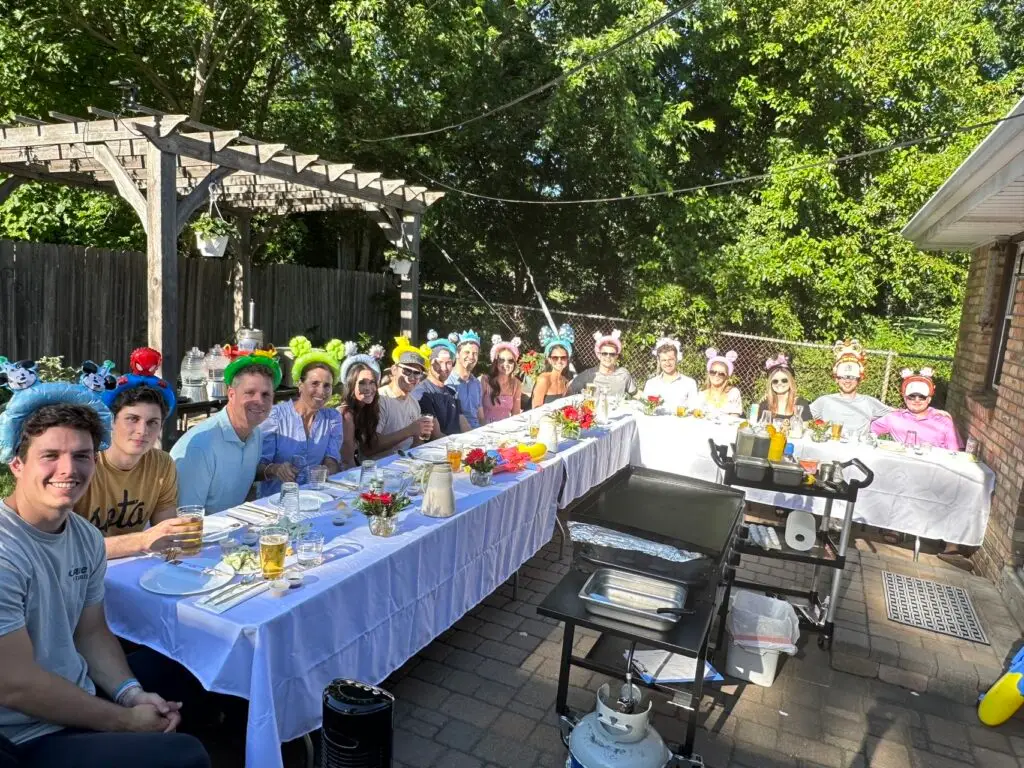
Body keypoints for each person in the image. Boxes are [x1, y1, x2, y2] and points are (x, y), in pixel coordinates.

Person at [0, 376, 210, 768]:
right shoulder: (5, 550)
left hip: (79, 691)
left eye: (81, 455)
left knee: (196, 667)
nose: (68, 469)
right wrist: (124, 720)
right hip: (21, 733)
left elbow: (90, 631)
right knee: (187, 756)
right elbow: (15, 685)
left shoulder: (85, 537)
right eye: (50, 455)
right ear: (16, 464)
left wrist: (131, 694)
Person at [74, 348, 187, 560]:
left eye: (152, 423)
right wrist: (142, 540)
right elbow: (67, 548)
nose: (142, 431)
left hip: (131, 566)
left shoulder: (161, 464)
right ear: (111, 421)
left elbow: (165, 534)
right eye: (132, 419)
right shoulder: (81, 464)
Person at [871, 368, 969, 569]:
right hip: (904, 471)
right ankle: (896, 527)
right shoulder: (895, 417)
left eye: (921, 396)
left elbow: (955, 451)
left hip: (935, 472)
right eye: (911, 395)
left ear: (930, 397)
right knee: (897, 478)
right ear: (904, 396)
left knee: (959, 489)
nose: (916, 399)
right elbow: (870, 430)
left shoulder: (943, 421)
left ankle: (951, 545)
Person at [170, 353, 279, 513]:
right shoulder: (200, 447)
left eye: (266, 394)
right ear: (231, 394)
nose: (259, 401)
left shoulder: (255, 434)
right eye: (250, 392)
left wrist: (273, 470)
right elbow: (183, 518)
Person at [257, 337, 344, 495]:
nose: (321, 391)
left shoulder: (333, 418)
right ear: (300, 384)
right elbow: (256, 468)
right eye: (314, 383)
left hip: (316, 497)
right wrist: (275, 469)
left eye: (327, 386)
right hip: (275, 501)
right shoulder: (275, 416)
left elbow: (333, 460)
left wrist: (326, 469)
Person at [371, 338, 436, 458]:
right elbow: (372, 446)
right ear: (394, 370)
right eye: (406, 371)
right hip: (379, 468)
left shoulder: (414, 403)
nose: (411, 377)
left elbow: (416, 442)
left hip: (405, 464)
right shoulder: (380, 399)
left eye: (417, 373)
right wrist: (409, 430)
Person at [810, 339, 891, 435]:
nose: (847, 381)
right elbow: (801, 413)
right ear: (836, 379)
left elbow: (897, 415)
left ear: (859, 379)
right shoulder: (824, 400)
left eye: (852, 377)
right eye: (843, 377)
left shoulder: (869, 402)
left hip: (858, 448)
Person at [338, 343, 385, 467]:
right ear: (351, 385)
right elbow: (347, 460)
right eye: (362, 383)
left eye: (372, 382)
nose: (368, 388)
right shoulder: (346, 415)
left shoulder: (367, 410)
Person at [415, 335, 467, 436]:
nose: (444, 368)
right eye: (439, 362)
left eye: (448, 363)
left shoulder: (452, 392)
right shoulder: (422, 392)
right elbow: (436, 435)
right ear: (429, 364)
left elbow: (463, 423)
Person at [568, 329, 636, 398]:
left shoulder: (623, 374)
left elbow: (635, 393)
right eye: (604, 353)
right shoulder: (589, 375)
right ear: (599, 355)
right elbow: (569, 390)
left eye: (612, 354)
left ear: (617, 356)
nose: (608, 357)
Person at [642, 337, 698, 411]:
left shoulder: (689, 383)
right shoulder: (651, 384)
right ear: (658, 361)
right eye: (664, 360)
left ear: (677, 359)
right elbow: (645, 409)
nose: (667, 363)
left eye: (670, 359)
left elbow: (694, 409)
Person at [480, 335, 523, 424]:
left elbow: (516, 413)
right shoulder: (484, 381)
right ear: (496, 362)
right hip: (484, 428)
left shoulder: (517, 384)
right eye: (501, 360)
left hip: (505, 429)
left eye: (510, 360)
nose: (506, 364)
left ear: (514, 363)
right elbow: (477, 409)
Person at [446, 330, 485, 429]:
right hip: (457, 437)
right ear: (457, 354)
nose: (471, 357)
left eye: (475, 353)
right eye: (467, 352)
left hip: (477, 433)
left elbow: (481, 417)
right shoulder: (448, 382)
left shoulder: (476, 383)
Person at [758, 353, 812, 422]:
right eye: (775, 381)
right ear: (770, 384)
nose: (779, 383)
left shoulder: (801, 404)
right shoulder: (765, 404)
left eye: (784, 380)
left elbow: (808, 428)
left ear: (790, 382)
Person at [531, 324, 575, 408]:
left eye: (563, 357)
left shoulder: (565, 380)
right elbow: (535, 409)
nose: (559, 361)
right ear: (549, 360)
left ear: (567, 359)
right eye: (555, 358)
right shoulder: (544, 379)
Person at [690, 348, 743, 416]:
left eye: (721, 373)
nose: (716, 375)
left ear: (726, 376)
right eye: (713, 372)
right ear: (709, 374)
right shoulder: (702, 395)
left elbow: (734, 418)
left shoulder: (733, 393)